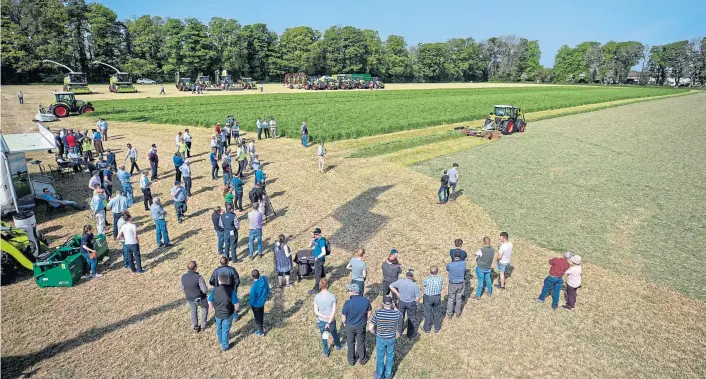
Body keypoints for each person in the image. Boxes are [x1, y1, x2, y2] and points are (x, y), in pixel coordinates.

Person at [369, 296, 401, 379]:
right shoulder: (396, 314)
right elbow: (401, 315)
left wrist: (375, 333)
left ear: (382, 303)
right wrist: (394, 307)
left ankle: (379, 375)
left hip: (380, 338)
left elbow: (370, 328)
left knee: (380, 357)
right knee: (390, 357)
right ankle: (388, 375)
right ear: (391, 304)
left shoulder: (377, 313)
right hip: (391, 338)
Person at [208, 273, 240, 351]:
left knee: (219, 327)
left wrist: (211, 306)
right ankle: (225, 346)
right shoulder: (231, 291)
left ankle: (220, 339)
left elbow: (209, 300)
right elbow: (236, 304)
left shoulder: (214, 290)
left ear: (219, 281)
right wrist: (235, 311)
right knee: (225, 330)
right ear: (227, 281)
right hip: (228, 314)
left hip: (218, 314)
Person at [341, 283, 371, 366]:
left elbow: (343, 316)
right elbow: (369, 312)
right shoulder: (365, 301)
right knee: (361, 342)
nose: (348, 292)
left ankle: (351, 360)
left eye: (349, 290)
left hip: (350, 326)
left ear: (353, 292)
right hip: (361, 325)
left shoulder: (347, 303)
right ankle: (363, 359)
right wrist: (366, 319)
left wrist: (344, 322)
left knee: (350, 342)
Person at [313, 278, 342, 357]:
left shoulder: (317, 297)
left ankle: (326, 352)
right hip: (331, 320)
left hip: (321, 320)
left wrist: (324, 316)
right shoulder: (332, 296)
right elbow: (334, 310)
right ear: (327, 285)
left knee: (324, 336)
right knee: (334, 333)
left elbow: (316, 311)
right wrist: (329, 319)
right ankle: (338, 345)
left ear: (320, 286)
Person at [389, 270, 420, 337]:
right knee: (411, 318)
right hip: (411, 303)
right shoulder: (414, 285)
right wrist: (417, 304)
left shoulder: (400, 281)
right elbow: (417, 298)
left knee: (400, 316)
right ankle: (410, 334)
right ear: (412, 277)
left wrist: (397, 293)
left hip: (402, 302)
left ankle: (399, 331)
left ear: (406, 276)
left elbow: (391, 286)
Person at [181, 261, 209, 332]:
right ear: (195, 268)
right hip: (200, 298)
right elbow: (205, 290)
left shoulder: (183, 277)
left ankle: (195, 326)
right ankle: (203, 325)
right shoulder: (199, 277)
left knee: (193, 311)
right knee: (204, 308)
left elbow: (182, 287)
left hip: (189, 298)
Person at [422, 266, 443, 333]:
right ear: (437, 271)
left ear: (430, 271)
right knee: (437, 313)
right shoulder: (440, 278)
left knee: (427, 313)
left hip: (428, 297)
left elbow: (424, 284)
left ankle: (427, 329)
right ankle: (437, 328)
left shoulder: (426, 279)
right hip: (437, 297)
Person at [249, 269, 270, 336]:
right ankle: (262, 326)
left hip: (256, 305)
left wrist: (251, 304)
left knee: (257, 318)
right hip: (262, 302)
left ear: (252, 277)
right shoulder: (264, 280)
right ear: (259, 274)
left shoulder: (254, 287)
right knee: (261, 315)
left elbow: (252, 298)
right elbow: (268, 289)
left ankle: (261, 332)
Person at [446, 251, 466, 318]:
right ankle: (458, 313)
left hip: (452, 284)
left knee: (451, 299)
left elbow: (447, 269)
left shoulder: (450, 265)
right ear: (460, 257)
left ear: (454, 256)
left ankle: (449, 314)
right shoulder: (464, 263)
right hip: (461, 283)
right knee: (459, 298)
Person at [308, 228, 328, 295]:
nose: (315, 235)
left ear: (320, 234)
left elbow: (324, 252)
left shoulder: (321, 241)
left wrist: (317, 257)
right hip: (317, 259)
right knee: (322, 273)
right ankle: (324, 283)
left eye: (317, 234)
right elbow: (309, 246)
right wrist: (312, 240)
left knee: (317, 274)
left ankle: (316, 289)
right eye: (315, 234)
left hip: (319, 260)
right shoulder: (316, 239)